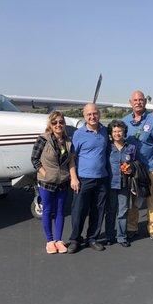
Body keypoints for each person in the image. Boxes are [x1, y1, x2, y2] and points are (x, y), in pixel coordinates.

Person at [122, 91, 153, 241]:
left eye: (141, 100)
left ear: (145, 102)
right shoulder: (125, 121)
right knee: (134, 201)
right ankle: (132, 227)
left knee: (152, 201)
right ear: (130, 102)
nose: (138, 102)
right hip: (133, 170)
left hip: (151, 168)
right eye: (135, 100)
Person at [31, 111, 79, 254]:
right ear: (50, 125)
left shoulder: (68, 142)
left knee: (60, 212)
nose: (58, 125)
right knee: (47, 210)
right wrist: (46, 174)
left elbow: (71, 161)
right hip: (47, 183)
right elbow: (34, 159)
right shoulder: (43, 139)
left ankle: (59, 240)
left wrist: (73, 178)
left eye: (61, 122)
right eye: (55, 122)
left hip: (63, 182)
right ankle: (50, 241)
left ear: (64, 124)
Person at [67, 103, 110, 253]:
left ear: (99, 114)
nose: (92, 117)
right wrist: (74, 178)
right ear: (84, 116)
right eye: (89, 114)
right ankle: (75, 239)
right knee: (79, 211)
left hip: (102, 178)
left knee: (98, 211)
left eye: (95, 113)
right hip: (84, 179)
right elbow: (72, 158)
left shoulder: (105, 131)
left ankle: (92, 238)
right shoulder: (79, 134)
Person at [104, 120, 136, 248]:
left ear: (124, 132)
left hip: (124, 184)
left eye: (120, 131)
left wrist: (131, 169)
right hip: (110, 184)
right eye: (115, 131)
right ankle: (109, 236)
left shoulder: (131, 148)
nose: (117, 134)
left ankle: (121, 237)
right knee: (110, 211)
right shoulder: (107, 147)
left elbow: (135, 164)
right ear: (111, 133)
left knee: (122, 211)